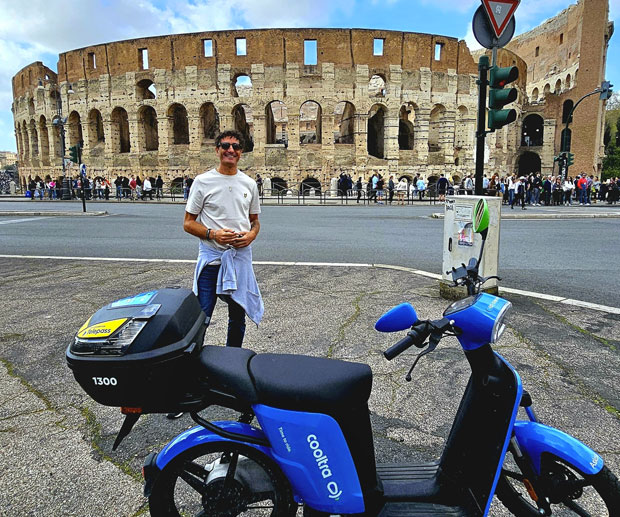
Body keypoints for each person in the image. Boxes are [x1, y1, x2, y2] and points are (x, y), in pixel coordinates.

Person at [183, 129, 263, 349]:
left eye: (236, 147)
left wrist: (251, 235)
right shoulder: (202, 181)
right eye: (226, 146)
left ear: (241, 152)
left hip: (239, 257)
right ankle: (193, 359)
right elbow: (188, 223)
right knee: (202, 316)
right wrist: (213, 234)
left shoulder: (249, 184)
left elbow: (255, 221)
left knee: (237, 316)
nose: (231, 150)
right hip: (212, 257)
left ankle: (232, 359)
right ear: (217, 150)